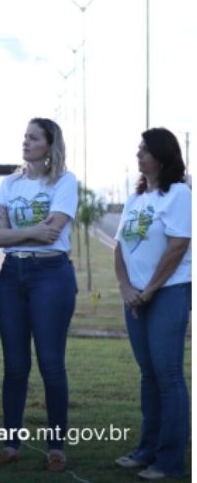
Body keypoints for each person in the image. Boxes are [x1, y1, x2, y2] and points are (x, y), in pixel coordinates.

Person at [0, 117, 77, 472]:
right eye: (24, 136)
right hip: (12, 276)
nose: (25, 142)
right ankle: (11, 445)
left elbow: (52, 235)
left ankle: (56, 449)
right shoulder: (10, 183)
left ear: (49, 145)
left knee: (51, 365)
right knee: (14, 365)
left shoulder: (65, 183)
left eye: (33, 137)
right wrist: (31, 232)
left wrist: (15, 232)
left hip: (51, 276)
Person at [113, 127, 190, 481]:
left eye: (144, 149)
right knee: (148, 375)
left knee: (168, 375)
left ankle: (169, 461)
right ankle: (147, 449)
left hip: (168, 293)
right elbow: (119, 248)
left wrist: (150, 290)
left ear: (162, 155)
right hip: (137, 296)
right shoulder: (136, 198)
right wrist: (127, 287)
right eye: (138, 149)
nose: (138, 155)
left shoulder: (179, 194)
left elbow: (178, 247)